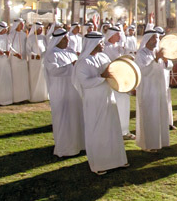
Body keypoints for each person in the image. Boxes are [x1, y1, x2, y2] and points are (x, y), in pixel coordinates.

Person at [76, 31, 129, 175]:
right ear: (92, 44)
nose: (103, 44)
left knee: (112, 129)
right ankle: (99, 164)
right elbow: (85, 83)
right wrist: (101, 76)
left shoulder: (104, 57)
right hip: (94, 102)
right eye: (100, 42)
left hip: (108, 97)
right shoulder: (83, 62)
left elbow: (112, 73)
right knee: (97, 130)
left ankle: (117, 160)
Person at [44, 28, 85, 157]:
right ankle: (65, 148)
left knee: (75, 116)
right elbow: (54, 71)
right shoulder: (51, 54)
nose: (67, 40)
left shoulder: (71, 52)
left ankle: (79, 145)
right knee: (63, 118)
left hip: (74, 89)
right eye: (64, 39)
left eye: (67, 38)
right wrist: (71, 66)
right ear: (57, 40)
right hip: (60, 90)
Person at [135, 27, 172, 151]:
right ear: (147, 40)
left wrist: (166, 61)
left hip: (160, 88)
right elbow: (143, 71)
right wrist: (156, 59)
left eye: (157, 38)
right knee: (150, 116)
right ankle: (148, 145)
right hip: (148, 89)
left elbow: (169, 65)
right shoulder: (141, 54)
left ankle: (161, 141)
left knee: (160, 114)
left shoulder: (158, 51)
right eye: (153, 38)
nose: (156, 40)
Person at [102, 25, 134, 139]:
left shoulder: (119, 47)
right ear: (111, 35)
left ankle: (124, 131)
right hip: (113, 82)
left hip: (122, 80)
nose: (119, 36)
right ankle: (116, 131)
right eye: (117, 34)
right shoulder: (105, 48)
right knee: (115, 106)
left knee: (124, 105)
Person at [0, 21, 14, 106]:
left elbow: (9, 46)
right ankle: (0, 99)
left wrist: (9, 52)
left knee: (6, 78)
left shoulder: (6, 37)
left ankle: (7, 99)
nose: (5, 31)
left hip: (6, 61)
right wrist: (1, 52)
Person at [9, 19, 30, 103]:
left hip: (23, 59)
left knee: (23, 78)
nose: (22, 26)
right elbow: (9, 46)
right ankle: (17, 98)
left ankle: (24, 97)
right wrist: (15, 53)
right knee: (16, 78)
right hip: (15, 59)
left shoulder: (24, 35)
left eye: (22, 24)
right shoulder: (11, 35)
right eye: (20, 24)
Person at [26, 22, 49, 102]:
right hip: (34, 62)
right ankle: (35, 96)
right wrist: (35, 55)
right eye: (39, 28)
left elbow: (46, 47)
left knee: (43, 78)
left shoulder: (43, 37)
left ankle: (43, 95)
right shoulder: (30, 38)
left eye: (41, 28)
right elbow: (28, 50)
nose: (40, 30)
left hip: (42, 60)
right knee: (34, 79)